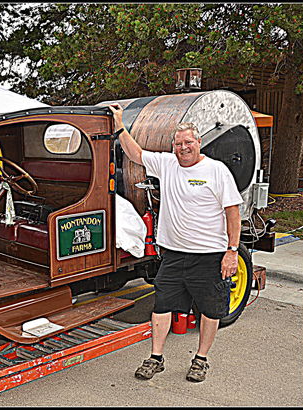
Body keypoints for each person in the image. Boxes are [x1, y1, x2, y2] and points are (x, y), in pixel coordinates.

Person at [108, 103, 242, 383]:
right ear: (173, 147)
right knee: (161, 306)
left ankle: (201, 360)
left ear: (199, 143)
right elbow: (135, 153)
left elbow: (233, 213)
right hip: (173, 255)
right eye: (178, 143)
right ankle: (156, 358)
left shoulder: (217, 171)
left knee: (210, 309)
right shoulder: (167, 164)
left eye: (188, 142)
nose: (183, 147)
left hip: (209, 256)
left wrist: (231, 252)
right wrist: (119, 123)